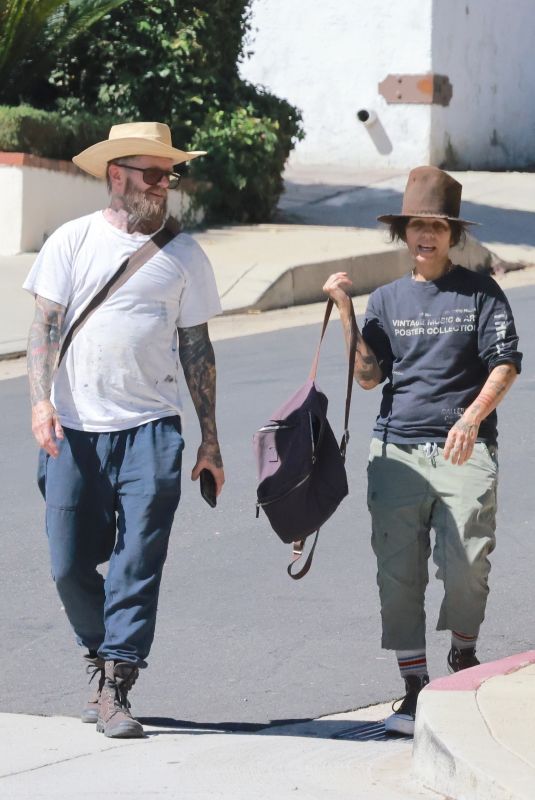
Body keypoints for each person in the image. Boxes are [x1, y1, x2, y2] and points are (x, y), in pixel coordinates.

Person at [24, 121, 224, 739]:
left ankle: (118, 679)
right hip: (77, 429)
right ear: (117, 176)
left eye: (170, 174)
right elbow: (44, 329)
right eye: (153, 174)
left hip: (153, 431)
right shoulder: (72, 241)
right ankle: (99, 647)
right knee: (67, 564)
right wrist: (40, 403)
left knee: (138, 560)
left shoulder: (185, 255)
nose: (164, 186)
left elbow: (198, 348)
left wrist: (210, 439)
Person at [323, 166, 522, 736]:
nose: (425, 236)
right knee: (398, 575)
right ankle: (413, 686)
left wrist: (471, 417)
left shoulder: (481, 291)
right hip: (397, 451)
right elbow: (367, 377)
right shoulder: (385, 299)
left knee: (467, 565)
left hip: (465, 446)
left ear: (452, 234)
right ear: (404, 233)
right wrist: (344, 310)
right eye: (416, 226)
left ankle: (462, 652)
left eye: (436, 225)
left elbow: (505, 363)